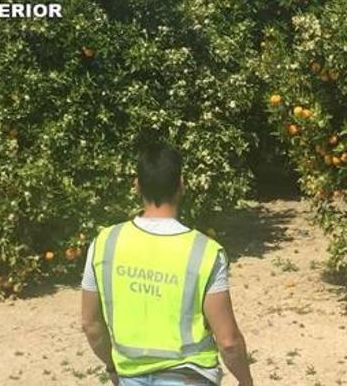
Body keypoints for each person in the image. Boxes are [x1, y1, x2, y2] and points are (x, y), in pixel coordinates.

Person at [81, 141, 254, 386]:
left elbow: (90, 325)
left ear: (136, 185)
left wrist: (112, 367)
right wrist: (246, 381)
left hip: (130, 376)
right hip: (191, 377)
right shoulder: (205, 251)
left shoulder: (105, 243)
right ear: (181, 184)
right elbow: (228, 341)